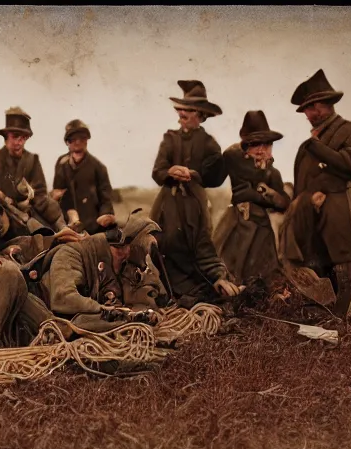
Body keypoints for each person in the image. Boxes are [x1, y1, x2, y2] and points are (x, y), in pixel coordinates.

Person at [283, 69, 351, 318]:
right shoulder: (306, 145)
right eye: (308, 109)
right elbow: (301, 183)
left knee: (342, 262)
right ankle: (324, 311)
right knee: (315, 260)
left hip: (336, 210)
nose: (313, 113)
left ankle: (347, 316)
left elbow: (350, 163)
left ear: (331, 104)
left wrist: (316, 146)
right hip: (309, 216)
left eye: (318, 106)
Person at [148, 79, 240, 307]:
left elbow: (214, 178)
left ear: (199, 114)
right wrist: (170, 171)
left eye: (186, 110)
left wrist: (194, 174)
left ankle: (203, 286)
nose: (180, 114)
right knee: (162, 242)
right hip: (168, 201)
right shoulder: (170, 138)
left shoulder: (209, 144)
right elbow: (157, 171)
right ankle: (166, 292)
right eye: (179, 109)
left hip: (194, 202)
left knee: (197, 242)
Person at [25, 210, 169, 333]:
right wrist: (104, 310)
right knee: (84, 321)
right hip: (40, 318)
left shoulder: (112, 269)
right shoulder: (70, 254)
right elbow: (63, 298)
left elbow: (118, 303)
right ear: (117, 249)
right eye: (122, 254)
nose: (124, 259)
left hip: (71, 322)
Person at [212, 111, 291, 286]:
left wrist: (270, 194)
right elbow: (221, 182)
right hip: (235, 223)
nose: (261, 149)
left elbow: (284, 203)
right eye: (255, 144)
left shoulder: (273, 173)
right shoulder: (233, 158)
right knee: (227, 262)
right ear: (245, 146)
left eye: (266, 145)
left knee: (261, 272)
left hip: (260, 227)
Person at [0, 107, 66, 231]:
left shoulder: (32, 160)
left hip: (27, 218)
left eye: (23, 137)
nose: (19, 142)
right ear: (6, 136)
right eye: (15, 136)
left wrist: (59, 222)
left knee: (48, 233)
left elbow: (40, 196)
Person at [51, 119, 116, 234]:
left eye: (81, 138)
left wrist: (105, 216)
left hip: (93, 227)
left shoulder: (98, 167)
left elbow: (106, 199)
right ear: (67, 142)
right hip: (67, 226)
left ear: (87, 140)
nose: (77, 142)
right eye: (73, 139)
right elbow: (57, 193)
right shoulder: (61, 164)